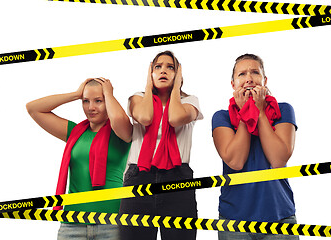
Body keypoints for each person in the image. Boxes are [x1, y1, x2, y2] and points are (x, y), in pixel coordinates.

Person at [26, 78, 132, 240]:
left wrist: (109, 93)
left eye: (98, 101)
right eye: (86, 101)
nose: (91, 107)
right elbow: (33, 109)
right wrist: (76, 94)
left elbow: (118, 119)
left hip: (111, 222)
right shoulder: (74, 132)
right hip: (72, 222)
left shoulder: (122, 133)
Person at [211, 54, 298, 240]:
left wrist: (259, 113)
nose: (249, 78)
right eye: (242, 74)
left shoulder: (284, 110)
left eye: (255, 72)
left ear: (264, 80)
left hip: (280, 217)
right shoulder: (221, 117)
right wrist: (245, 114)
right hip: (234, 222)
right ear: (233, 84)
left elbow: (278, 159)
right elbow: (236, 161)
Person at [119, 50, 203, 240]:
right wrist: (148, 85)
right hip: (138, 177)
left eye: (170, 67)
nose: (163, 71)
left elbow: (174, 118)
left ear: (179, 74)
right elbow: (145, 117)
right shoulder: (138, 98)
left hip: (178, 178)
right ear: (150, 73)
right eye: (158, 67)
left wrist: (176, 88)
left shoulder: (189, 102)